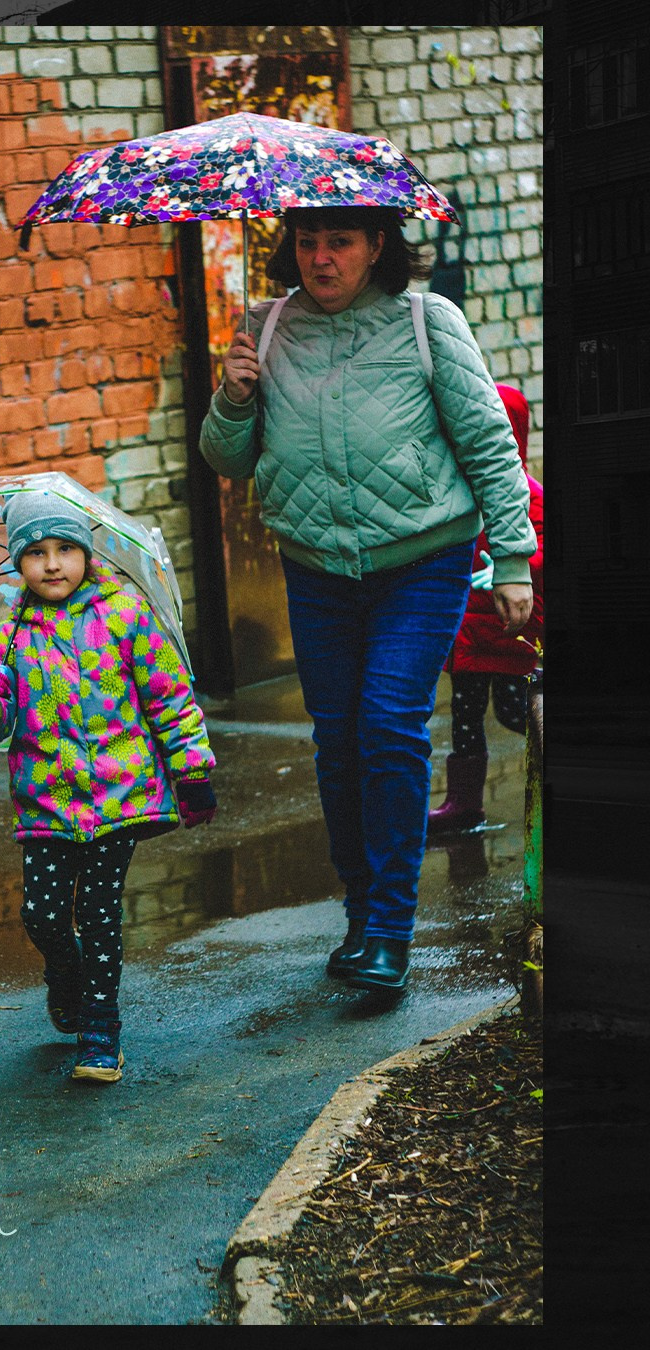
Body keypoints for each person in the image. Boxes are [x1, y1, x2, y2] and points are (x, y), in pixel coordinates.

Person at [198, 204, 537, 993]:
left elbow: (489, 442)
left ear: (376, 245)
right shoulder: (266, 325)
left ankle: (388, 929)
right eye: (308, 241)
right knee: (338, 739)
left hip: (423, 560)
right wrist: (234, 393)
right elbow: (228, 459)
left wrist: (514, 558)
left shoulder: (427, 320)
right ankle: (361, 914)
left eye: (339, 241)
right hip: (316, 569)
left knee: (387, 726)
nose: (321, 258)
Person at [0, 489, 217, 1083]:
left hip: (118, 798)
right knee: (42, 915)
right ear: (17, 564)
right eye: (37, 552)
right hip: (46, 800)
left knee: (98, 913)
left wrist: (192, 772)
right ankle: (64, 974)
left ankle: (101, 1032)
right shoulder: (8, 638)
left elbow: (171, 700)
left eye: (66, 549)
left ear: (88, 554)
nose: (52, 564)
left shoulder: (125, 616)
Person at [429, 383, 544, 833]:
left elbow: (541, 546)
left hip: (512, 630)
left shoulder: (527, 492)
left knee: (515, 711)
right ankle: (463, 801)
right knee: (466, 714)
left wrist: (518, 561)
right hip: (470, 632)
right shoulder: (459, 491)